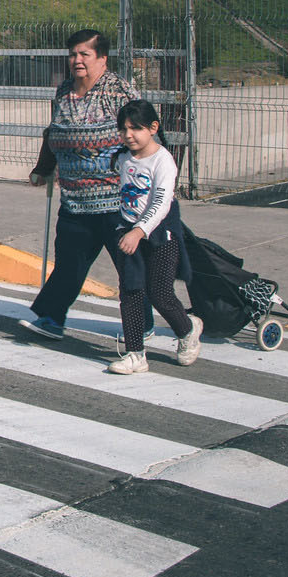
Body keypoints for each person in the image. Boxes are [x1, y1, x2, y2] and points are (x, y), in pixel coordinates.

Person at [22, 29, 136, 343]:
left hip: (117, 200)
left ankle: (142, 324)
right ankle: (52, 318)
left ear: (102, 58)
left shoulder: (118, 91)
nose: (77, 60)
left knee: (130, 269)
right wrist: (43, 168)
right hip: (76, 198)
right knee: (70, 264)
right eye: (73, 54)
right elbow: (54, 132)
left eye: (84, 54)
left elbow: (143, 136)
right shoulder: (63, 92)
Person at [106, 99, 201, 374]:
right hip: (128, 230)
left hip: (160, 234)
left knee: (160, 293)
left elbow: (161, 203)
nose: (128, 135)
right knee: (131, 291)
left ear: (153, 127)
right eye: (123, 129)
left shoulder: (163, 161)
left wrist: (139, 231)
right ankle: (135, 354)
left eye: (135, 128)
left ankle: (187, 330)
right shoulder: (123, 157)